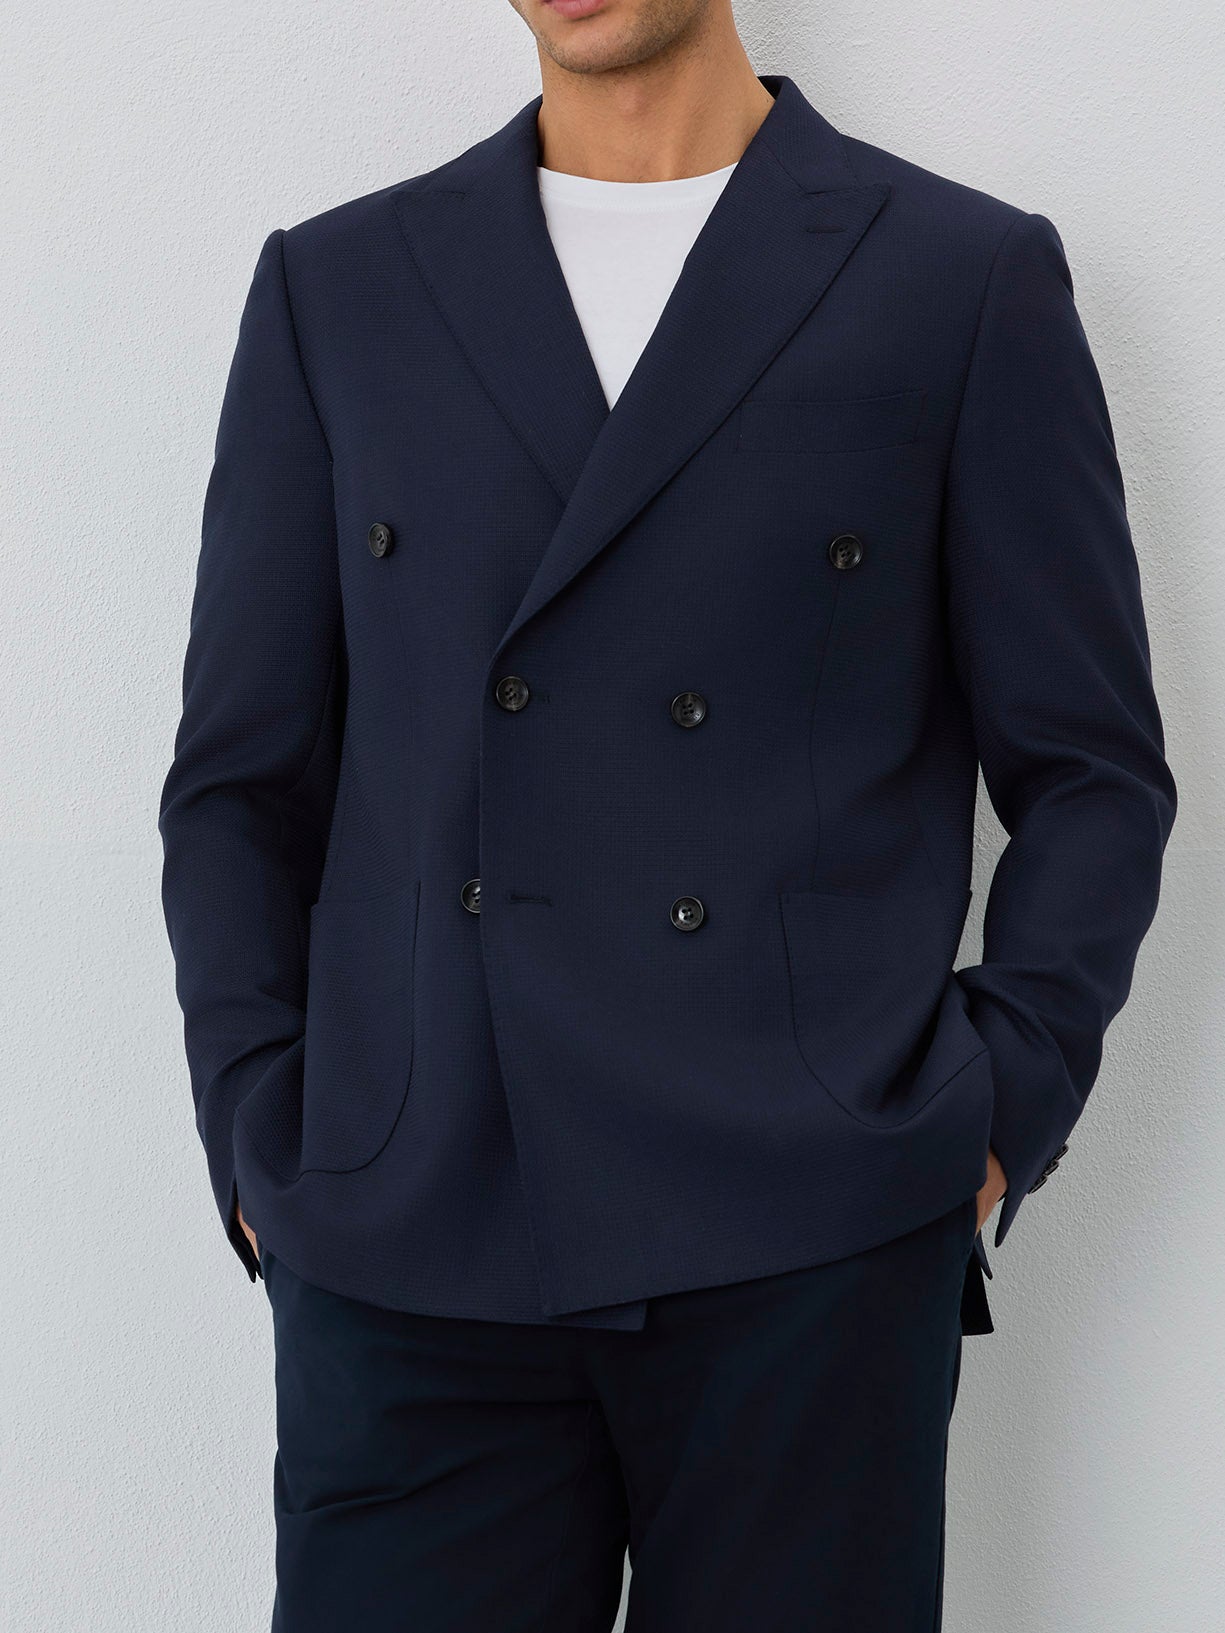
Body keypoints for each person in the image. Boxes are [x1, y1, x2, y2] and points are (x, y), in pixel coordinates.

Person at [157, 2, 1177, 1627]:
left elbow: (1089, 769)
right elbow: (237, 782)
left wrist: (990, 1115)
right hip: (413, 1247)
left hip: (807, 1246)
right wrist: (258, 1127)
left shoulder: (956, 277)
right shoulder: (338, 289)